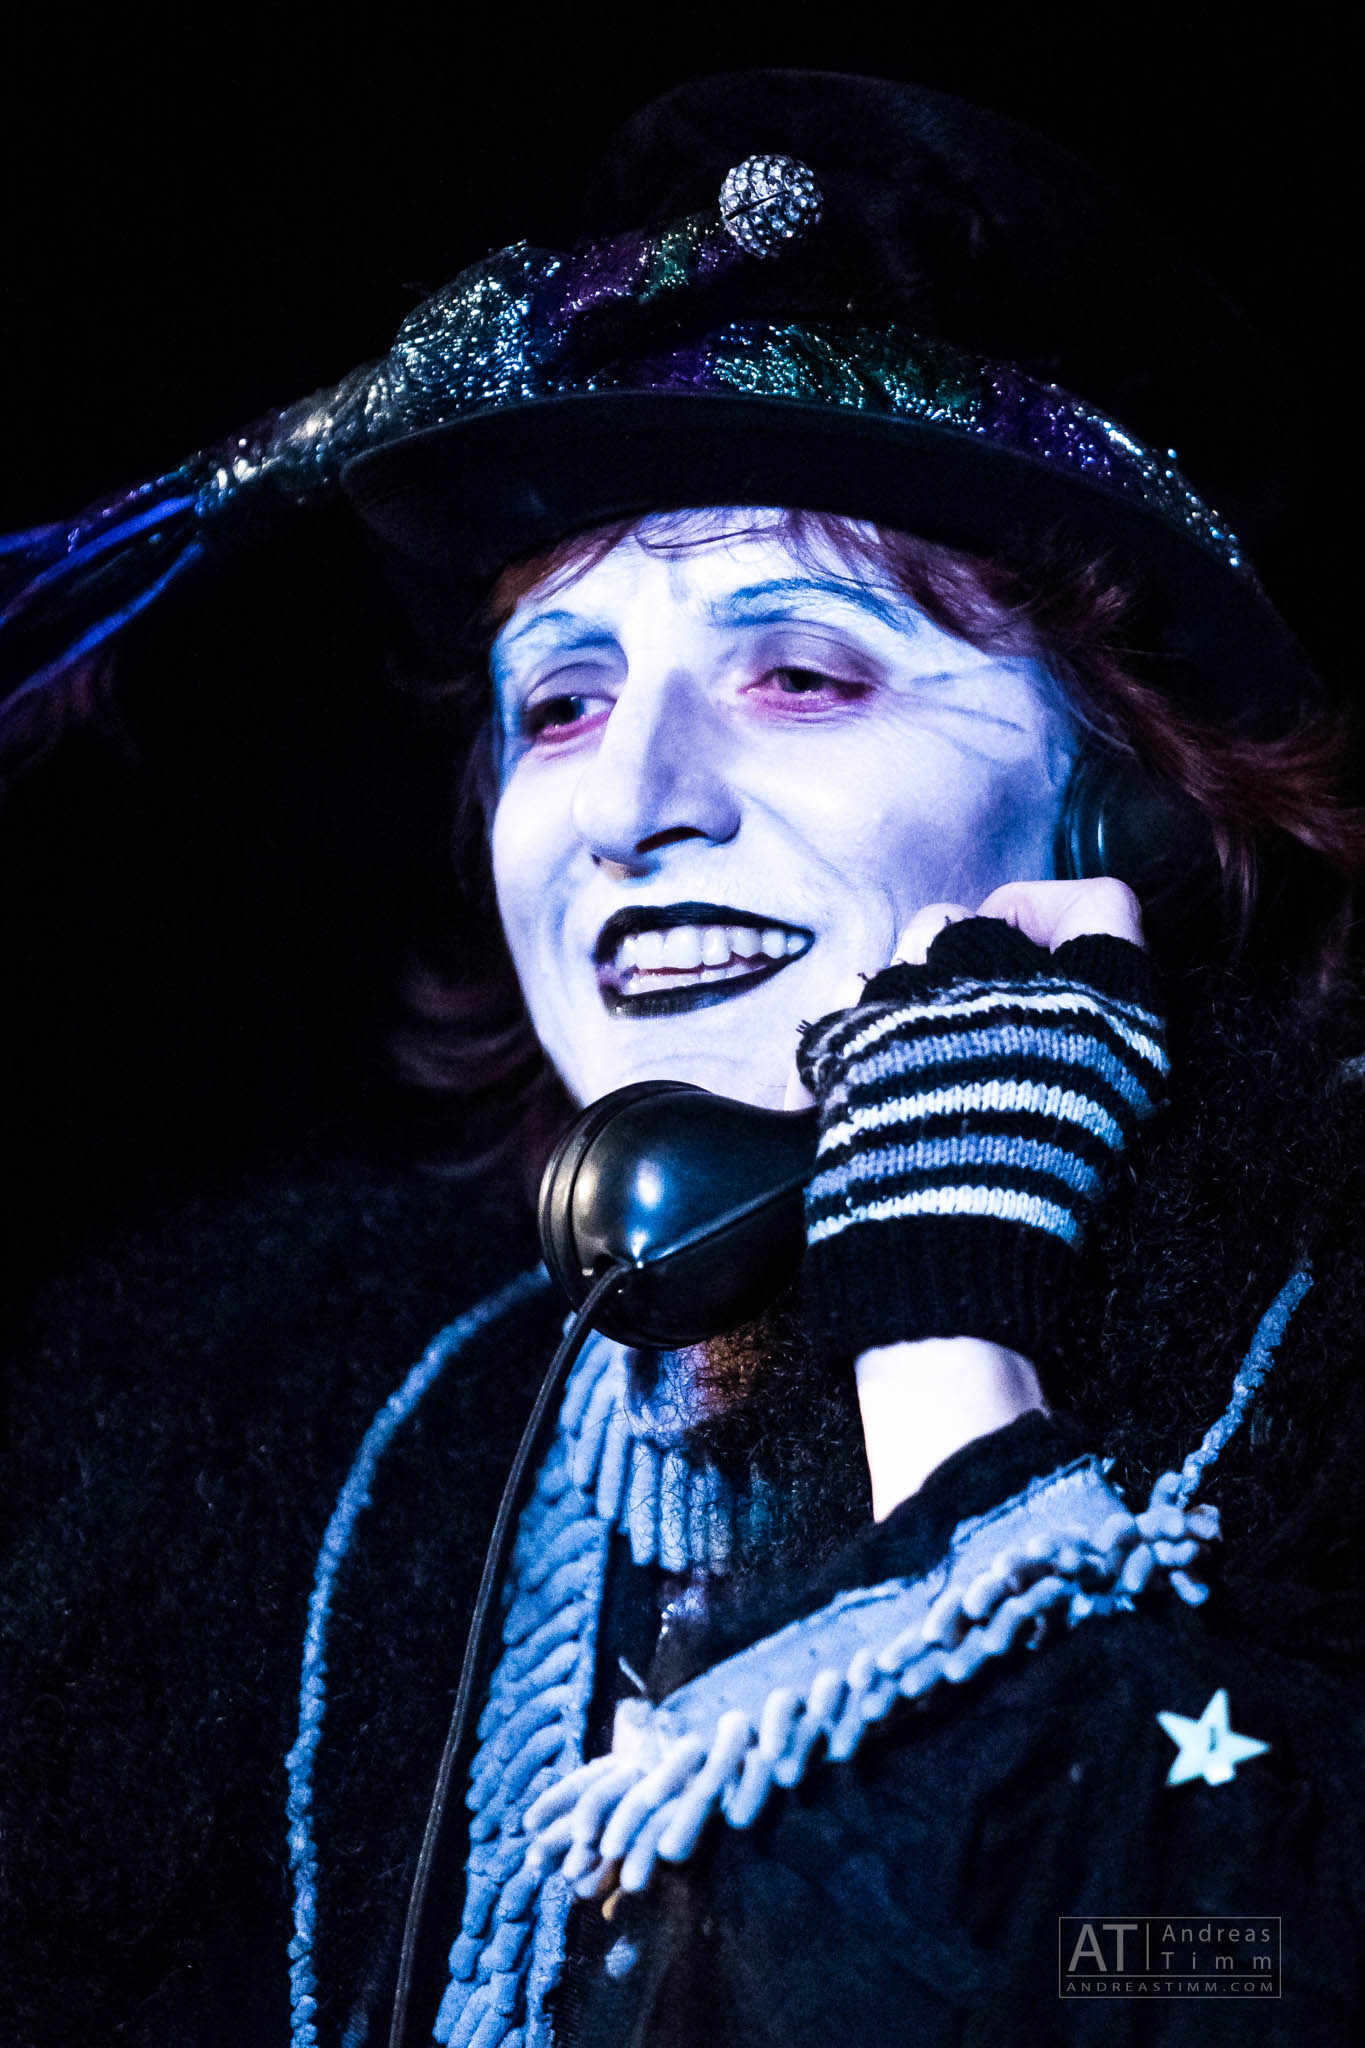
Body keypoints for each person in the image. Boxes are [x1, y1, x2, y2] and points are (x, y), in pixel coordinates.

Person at [4, 69, 1362, 2048]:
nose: (634, 801)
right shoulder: (270, 1416)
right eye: (557, 703)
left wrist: (949, 1362)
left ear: (1124, 811)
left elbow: (1203, 1975)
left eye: (797, 672)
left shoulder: (1315, 1360)